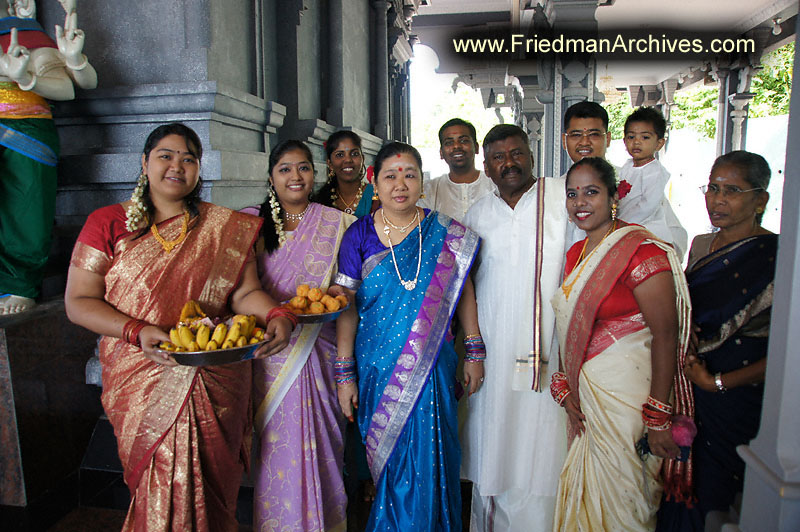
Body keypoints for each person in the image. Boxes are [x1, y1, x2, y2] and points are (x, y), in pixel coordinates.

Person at [64, 123, 294, 531]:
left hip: (215, 374)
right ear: (144, 163)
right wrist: (136, 330)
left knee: (214, 487)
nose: (177, 166)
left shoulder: (223, 228)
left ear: (198, 169)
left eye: (189, 158)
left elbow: (243, 295)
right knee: (156, 483)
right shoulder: (108, 222)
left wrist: (277, 314)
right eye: (166, 156)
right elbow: (78, 302)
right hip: (140, 371)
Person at [333, 141, 484, 531]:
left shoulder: (447, 234)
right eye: (390, 175)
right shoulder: (358, 236)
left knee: (434, 459)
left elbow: (463, 290)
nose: (400, 184)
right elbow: (346, 307)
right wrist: (344, 374)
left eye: (410, 174)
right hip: (376, 369)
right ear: (374, 181)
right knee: (389, 464)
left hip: (432, 368)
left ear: (421, 180)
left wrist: (474, 349)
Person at [550, 157, 692, 531]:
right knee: (587, 498)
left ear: (614, 196)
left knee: (626, 501)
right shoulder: (574, 254)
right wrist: (564, 386)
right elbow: (570, 327)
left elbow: (665, 333)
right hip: (587, 403)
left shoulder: (642, 250)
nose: (580, 202)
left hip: (629, 403)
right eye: (572, 194)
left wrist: (659, 416)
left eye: (591, 192)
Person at [657, 151, 775, 531]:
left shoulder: (778, 256)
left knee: (722, 496)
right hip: (691, 391)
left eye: (733, 191)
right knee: (682, 490)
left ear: (761, 200)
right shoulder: (702, 245)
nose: (718, 199)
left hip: (738, 395)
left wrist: (718, 382)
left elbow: (787, 356)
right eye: (713, 188)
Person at [241, 140, 355, 531]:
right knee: (276, 449)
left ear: (316, 173)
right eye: (285, 168)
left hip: (319, 351)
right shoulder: (249, 223)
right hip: (270, 354)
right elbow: (234, 291)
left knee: (324, 444)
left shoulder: (339, 223)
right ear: (271, 176)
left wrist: (341, 295)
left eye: (303, 167)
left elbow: (349, 289)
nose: (295, 176)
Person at [461, 124, 569, 532]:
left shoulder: (559, 198)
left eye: (516, 153)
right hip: (495, 347)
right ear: (486, 167)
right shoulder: (477, 214)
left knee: (545, 443)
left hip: (549, 345)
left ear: (532, 155)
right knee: (497, 439)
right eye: (498, 157)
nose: (509, 163)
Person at [0, 0, 97, 314]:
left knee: (24, 208)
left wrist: (26, 79)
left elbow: (69, 87)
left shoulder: (22, 34)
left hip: (23, 127)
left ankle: (16, 283)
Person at [561, 101, 687, 259]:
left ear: (608, 138)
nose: (584, 142)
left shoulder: (633, 180)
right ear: (564, 141)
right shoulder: (552, 191)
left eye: (593, 135)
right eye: (576, 135)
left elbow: (675, 239)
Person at [618, 106, 686, 256]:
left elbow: (648, 205)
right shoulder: (627, 166)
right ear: (624, 141)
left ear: (659, 143)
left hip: (647, 225)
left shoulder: (655, 171)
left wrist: (624, 224)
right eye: (631, 137)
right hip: (625, 223)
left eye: (645, 137)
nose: (637, 142)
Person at [418, 117, 496, 222]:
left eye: (463, 141)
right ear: (441, 153)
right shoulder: (429, 190)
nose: (456, 146)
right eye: (449, 143)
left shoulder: (494, 185)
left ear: (476, 148)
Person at [313, 130, 377, 217]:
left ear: (362, 159)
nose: (348, 160)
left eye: (354, 154)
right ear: (330, 164)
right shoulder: (320, 201)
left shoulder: (376, 196)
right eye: (340, 155)